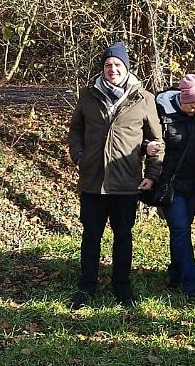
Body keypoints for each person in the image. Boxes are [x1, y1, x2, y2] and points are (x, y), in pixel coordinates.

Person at [67, 42, 164, 309]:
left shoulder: (143, 98)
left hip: (126, 182)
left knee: (123, 236)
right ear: (102, 68)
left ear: (127, 68)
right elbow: (75, 130)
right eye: (108, 65)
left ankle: (122, 287)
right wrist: (79, 156)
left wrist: (152, 173)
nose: (113, 69)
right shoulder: (88, 95)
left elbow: (156, 142)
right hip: (93, 182)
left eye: (118, 64)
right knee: (91, 237)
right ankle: (86, 287)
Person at [156, 74, 195, 299]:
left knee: (182, 229)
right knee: (180, 229)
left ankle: (175, 272)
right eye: (193, 105)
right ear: (182, 99)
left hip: (193, 182)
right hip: (170, 182)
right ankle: (192, 282)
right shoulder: (161, 112)